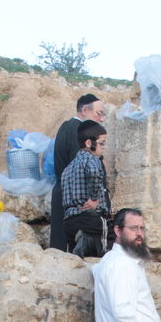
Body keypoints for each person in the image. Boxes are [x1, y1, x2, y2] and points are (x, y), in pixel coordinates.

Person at [49, 94, 106, 250]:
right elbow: (83, 171)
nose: (101, 119)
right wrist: (95, 198)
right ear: (85, 110)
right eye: (99, 113)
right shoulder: (77, 130)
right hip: (78, 203)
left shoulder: (68, 127)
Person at [60, 120, 110, 257]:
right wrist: (94, 198)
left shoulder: (68, 168)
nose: (104, 147)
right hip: (91, 217)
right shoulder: (92, 160)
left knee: (74, 258)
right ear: (88, 143)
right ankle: (87, 242)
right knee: (107, 246)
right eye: (101, 143)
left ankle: (82, 245)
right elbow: (93, 172)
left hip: (70, 220)